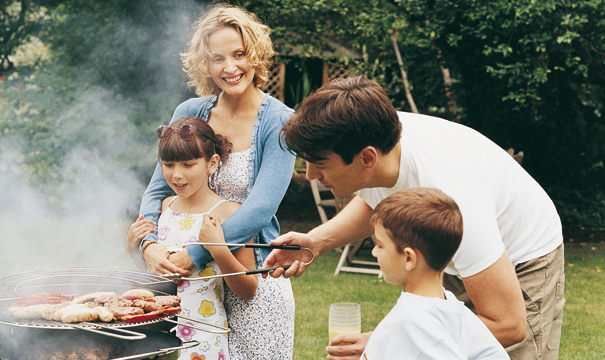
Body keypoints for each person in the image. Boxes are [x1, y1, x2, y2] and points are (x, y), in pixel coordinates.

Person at [264, 76, 565, 360]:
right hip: (454, 254)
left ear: (367, 158)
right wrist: (315, 242)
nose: (311, 176)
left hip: (520, 260)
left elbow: (509, 325)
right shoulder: (374, 139)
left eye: (319, 164)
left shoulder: (455, 193)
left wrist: (389, 342)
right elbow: (374, 201)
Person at [126, 4, 296, 359]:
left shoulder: (280, 121)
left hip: (251, 278)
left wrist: (196, 254)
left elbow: (261, 210)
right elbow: (158, 187)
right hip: (193, 288)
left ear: (256, 55)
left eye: (239, 55)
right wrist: (149, 243)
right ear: (206, 63)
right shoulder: (190, 112)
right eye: (218, 58)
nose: (230, 68)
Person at [128, 117, 258, 359]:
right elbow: (153, 276)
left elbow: (248, 290)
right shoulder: (165, 207)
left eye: (188, 165)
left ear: (212, 163)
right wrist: (133, 248)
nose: (177, 175)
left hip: (204, 337)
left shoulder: (229, 213)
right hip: (159, 332)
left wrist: (218, 249)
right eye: (168, 164)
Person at [362, 187, 509, 360]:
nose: (374, 252)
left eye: (380, 245)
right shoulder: (453, 308)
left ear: (409, 258)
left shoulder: (412, 321)